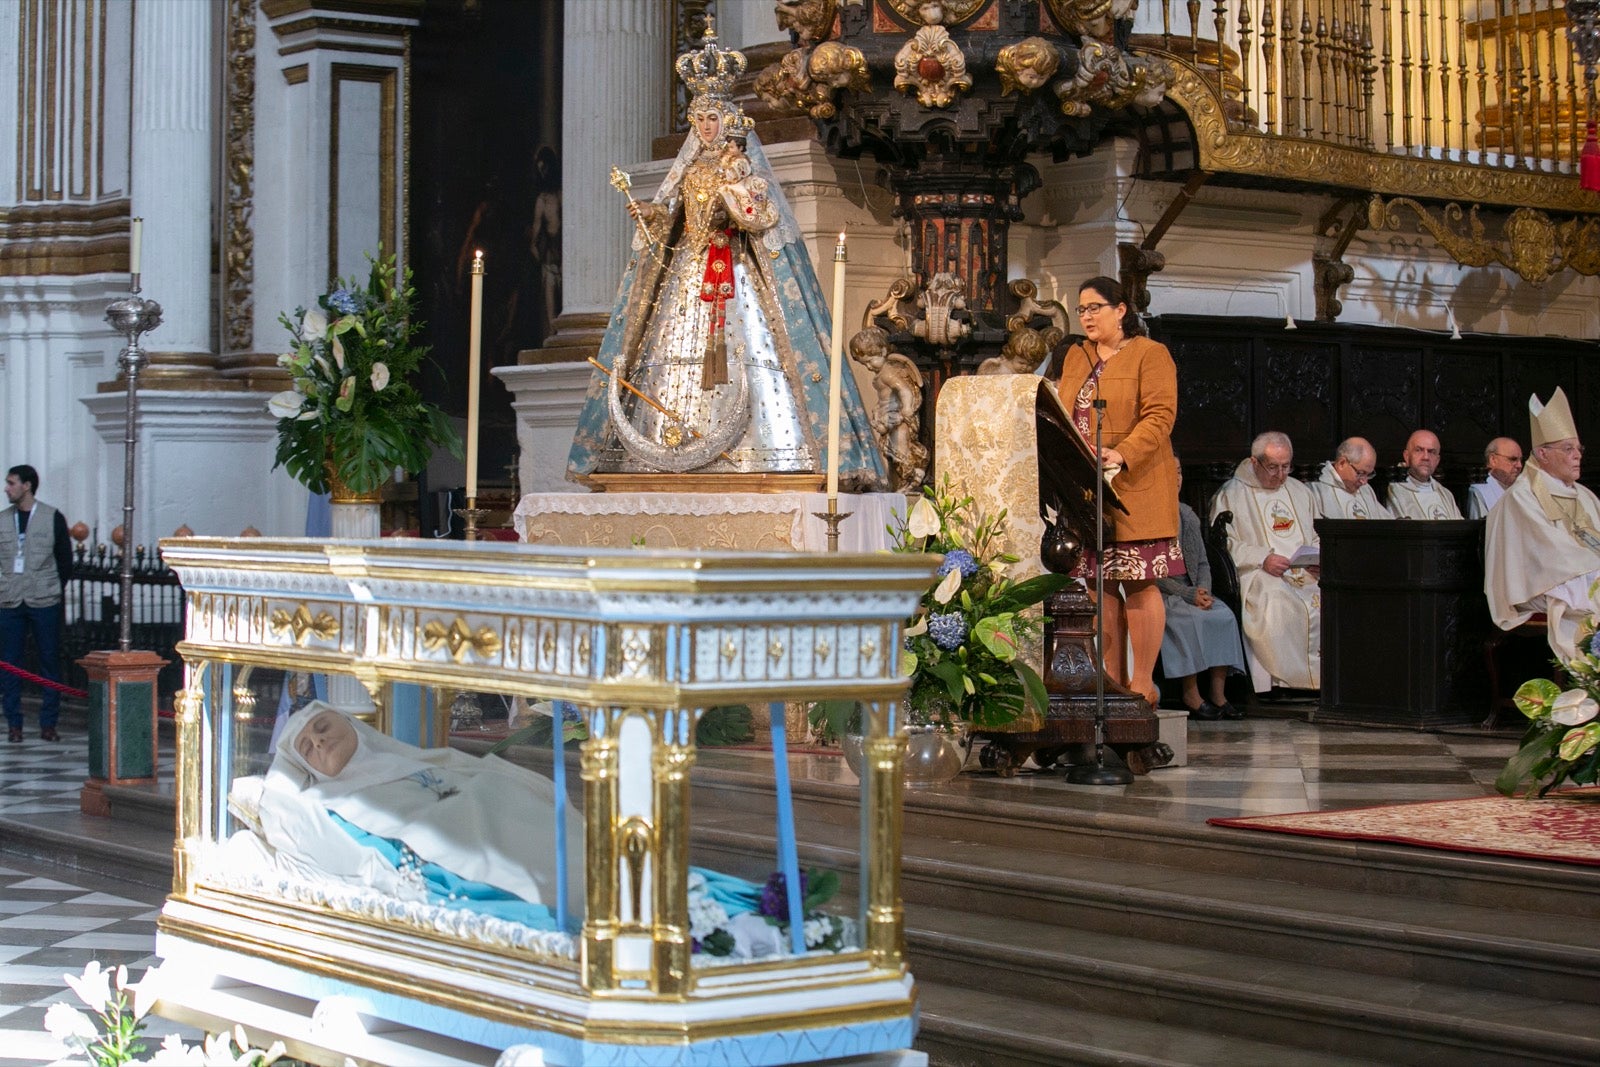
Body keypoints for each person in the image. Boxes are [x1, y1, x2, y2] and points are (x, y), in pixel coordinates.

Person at [567, 23, 884, 487]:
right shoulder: (690, 168)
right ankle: (665, 443)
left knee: (741, 348)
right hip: (687, 272)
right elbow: (672, 210)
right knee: (672, 349)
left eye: (713, 119)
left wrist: (736, 191)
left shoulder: (741, 166)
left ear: (728, 121)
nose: (706, 127)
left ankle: (757, 448)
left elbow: (759, 216)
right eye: (700, 120)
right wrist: (649, 210)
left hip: (730, 268)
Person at [1056, 275, 1182, 708]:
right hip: (1086, 488)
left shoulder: (1151, 354)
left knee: (1139, 580)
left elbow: (1161, 415)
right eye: (1082, 309)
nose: (1087, 317)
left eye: (1095, 308)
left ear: (1121, 310)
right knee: (1099, 581)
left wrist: (1122, 453)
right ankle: (1110, 680)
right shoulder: (1077, 356)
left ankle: (1143, 685)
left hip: (1134, 484)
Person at [1485, 388, 1600, 663]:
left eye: (1579, 448)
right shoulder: (1522, 497)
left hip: (1580, 577)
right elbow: (1549, 555)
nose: (1577, 456)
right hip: (1542, 586)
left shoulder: (1584, 495)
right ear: (1543, 453)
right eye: (1568, 449)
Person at [1211, 432, 1321, 694]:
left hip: (1304, 572)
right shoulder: (1232, 493)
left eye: (1286, 466)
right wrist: (1262, 558)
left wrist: (1317, 557)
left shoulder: (1300, 491)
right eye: (1273, 467)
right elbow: (1223, 546)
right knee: (1276, 599)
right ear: (1255, 461)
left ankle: (1321, 680)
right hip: (1258, 572)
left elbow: (1317, 533)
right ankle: (1281, 683)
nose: (1281, 475)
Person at [1155, 462, 1246, 720]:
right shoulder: (1147, 518)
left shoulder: (1187, 514)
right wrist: (1187, 595)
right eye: (1169, 471)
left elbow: (1204, 563)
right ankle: (1191, 694)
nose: (1176, 478)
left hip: (1192, 588)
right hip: (1163, 592)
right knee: (1189, 619)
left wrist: (1203, 591)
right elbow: (1150, 573)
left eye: (1180, 471)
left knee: (1223, 615)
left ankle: (1219, 694)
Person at [1, 465, 72, 744]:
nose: (7, 488)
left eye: (11, 483)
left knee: (49, 660)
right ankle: (13, 724)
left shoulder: (52, 517)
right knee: (9, 663)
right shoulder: (2, 520)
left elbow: (64, 561)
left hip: (44, 599)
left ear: (27, 486)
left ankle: (48, 723)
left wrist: (52, 588)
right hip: (9, 599)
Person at [1309, 437, 1392, 520]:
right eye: (1361, 473)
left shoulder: (1366, 490)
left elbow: (1387, 524)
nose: (1365, 481)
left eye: (1369, 474)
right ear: (1342, 463)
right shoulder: (1316, 490)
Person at [1386, 430, 1463, 519]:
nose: (1426, 457)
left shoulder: (1445, 494)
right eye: (1419, 450)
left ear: (1437, 460)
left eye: (1431, 452)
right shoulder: (1395, 490)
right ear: (1406, 456)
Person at [1468, 436, 1524, 519]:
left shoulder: (1523, 489)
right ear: (1493, 460)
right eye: (1513, 459)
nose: (1520, 466)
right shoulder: (1480, 492)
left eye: (1520, 460)